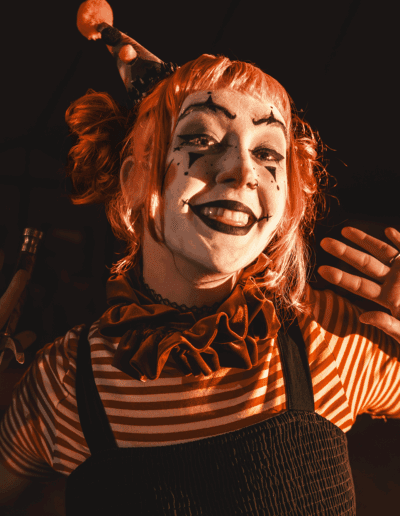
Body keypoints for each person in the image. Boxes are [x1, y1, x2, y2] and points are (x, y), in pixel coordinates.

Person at [1, 2, 400, 514]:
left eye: (267, 153)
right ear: (132, 179)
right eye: (200, 138)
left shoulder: (328, 340)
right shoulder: (64, 383)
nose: (242, 170)